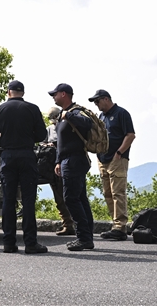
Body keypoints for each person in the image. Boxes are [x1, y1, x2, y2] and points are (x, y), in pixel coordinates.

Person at [0, 80, 49, 254]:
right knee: (28, 200)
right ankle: (30, 243)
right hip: (27, 155)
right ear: (22, 93)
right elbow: (42, 134)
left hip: (8, 155)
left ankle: (9, 243)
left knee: (8, 200)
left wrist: (5, 141)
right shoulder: (32, 109)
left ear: (8, 92)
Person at [50, 83, 96, 251]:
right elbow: (62, 142)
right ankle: (87, 236)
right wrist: (58, 161)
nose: (53, 97)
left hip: (75, 160)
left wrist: (68, 115)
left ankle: (83, 238)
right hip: (67, 160)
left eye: (55, 94)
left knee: (71, 198)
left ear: (64, 94)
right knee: (80, 198)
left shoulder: (75, 111)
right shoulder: (63, 115)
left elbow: (87, 123)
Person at [88, 89, 136, 241]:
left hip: (117, 159)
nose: (96, 104)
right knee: (108, 193)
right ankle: (115, 225)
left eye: (97, 101)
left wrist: (119, 153)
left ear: (106, 99)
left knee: (118, 193)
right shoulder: (102, 116)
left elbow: (130, 135)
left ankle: (120, 227)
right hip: (103, 159)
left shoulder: (122, 113)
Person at [41, 106, 75, 236]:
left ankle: (76, 223)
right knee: (59, 198)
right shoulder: (48, 130)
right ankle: (67, 224)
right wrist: (48, 145)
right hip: (52, 167)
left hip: (66, 165)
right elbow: (42, 144)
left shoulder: (66, 126)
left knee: (70, 196)